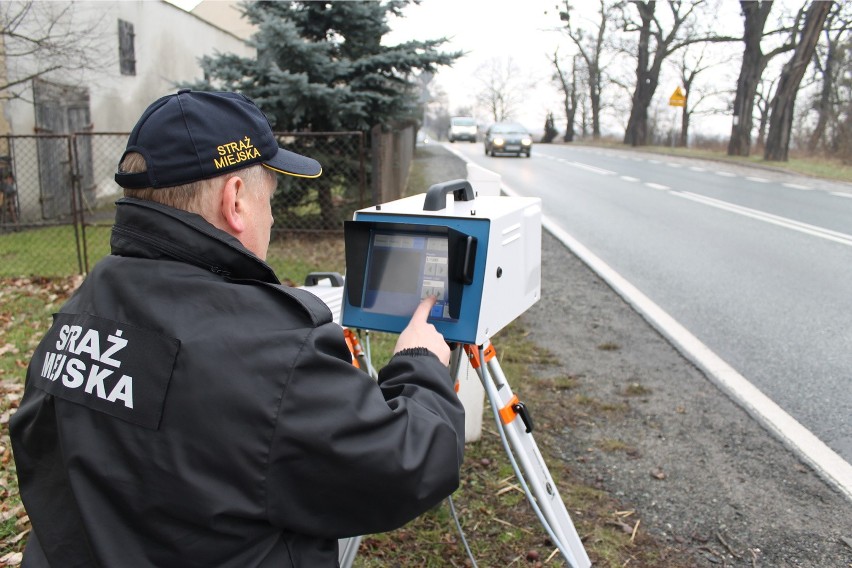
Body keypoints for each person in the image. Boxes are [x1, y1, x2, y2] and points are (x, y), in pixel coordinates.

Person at [10, 90, 465, 567]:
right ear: (236, 200)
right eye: (270, 197)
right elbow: (408, 463)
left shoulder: (81, 307)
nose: (270, 216)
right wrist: (420, 364)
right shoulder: (271, 355)